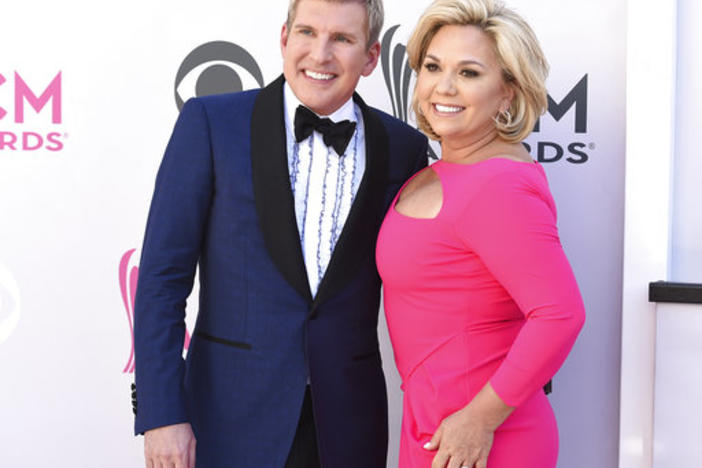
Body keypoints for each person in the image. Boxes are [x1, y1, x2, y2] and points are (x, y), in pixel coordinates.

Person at [131, 0, 428, 466]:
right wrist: (162, 413)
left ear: (371, 57)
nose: (320, 54)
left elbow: (424, 287)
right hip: (226, 418)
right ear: (284, 37)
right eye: (307, 32)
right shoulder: (211, 123)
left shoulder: (404, 149)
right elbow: (160, 280)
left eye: (343, 39)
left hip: (348, 425)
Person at [375, 1, 586, 467]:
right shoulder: (434, 172)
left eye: (469, 73)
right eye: (433, 67)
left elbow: (560, 314)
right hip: (432, 427)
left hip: (485, 439)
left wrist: (480, 420)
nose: (443, 87)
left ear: (507, 92)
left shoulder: (501, 185)